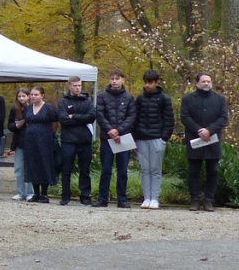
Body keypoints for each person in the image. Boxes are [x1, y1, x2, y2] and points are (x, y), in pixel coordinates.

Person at [181, 72, 229, 212]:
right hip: (195, 140)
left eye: (208, 81)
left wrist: (209, 130)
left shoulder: (220, 99)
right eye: (203, 81)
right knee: (193, 172)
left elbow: (223, 117)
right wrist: (199, 131)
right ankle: (194, 200)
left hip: (212, 140)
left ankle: (209, 200)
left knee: (212, 171)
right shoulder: (188, 99)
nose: (206, 83)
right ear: (197, 83)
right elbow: (185, 117)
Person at [133, 69, 175, 210]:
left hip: (157, 138)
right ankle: (146, 198)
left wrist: (164, 138)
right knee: (145, 169)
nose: (147, 86)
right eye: (146, 83)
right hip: (141, 138)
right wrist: (134, 137)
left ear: (157, 83)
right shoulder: (140, 99)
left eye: (150, 83)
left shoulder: (164, 98)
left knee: (155, 169)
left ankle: (154, 198)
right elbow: (135, 119)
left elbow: (169, 120)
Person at [95, 69, 137, 208]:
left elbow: (131, 117)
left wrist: (119, 130)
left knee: (122, 170)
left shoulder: (129, 98)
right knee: (106, 169)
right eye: (112, 78)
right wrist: (111, 131)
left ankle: (122, 199)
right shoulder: (102, 96)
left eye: (117, 78)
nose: (114, 81)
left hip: (123, 138)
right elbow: (100, 115)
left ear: (123, 80)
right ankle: (102, 198)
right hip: (107, 138)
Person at [56, 77, 96, 206]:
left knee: (85, 170)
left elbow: (91, 117)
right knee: (66, 169)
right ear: (69, 86)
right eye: (75, 85)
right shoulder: (63, 101)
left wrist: (73, 116)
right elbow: (63, 119)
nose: (77, 88)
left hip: (85, 141)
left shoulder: (87, 101)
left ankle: (85, 196)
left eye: (79, 85)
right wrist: (81, 118)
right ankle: (65, 195)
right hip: (69, 140)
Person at [20, 86, 59, 203]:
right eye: (31, 94)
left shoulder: (49, 108)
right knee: (32, 164)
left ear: (42, 95)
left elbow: (55, 122)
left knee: (44, 164)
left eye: (36, 94)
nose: (33, 97)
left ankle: (44, 193)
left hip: (45, 139)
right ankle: (35, 193)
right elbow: (26, 121)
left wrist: (50, 134)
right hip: (30, 140)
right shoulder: (28, 108)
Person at [7, 88, 31, 200]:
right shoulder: (14, 110)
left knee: (30, 167)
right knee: (19, 168)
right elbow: (10, 125)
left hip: (31, 141)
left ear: (28, 96)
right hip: (19, 141)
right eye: (19, 96)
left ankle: (31, 192)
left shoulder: (32, 108)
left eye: (23, 96)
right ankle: (21, 192)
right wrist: (16, 125)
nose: (21, 98)